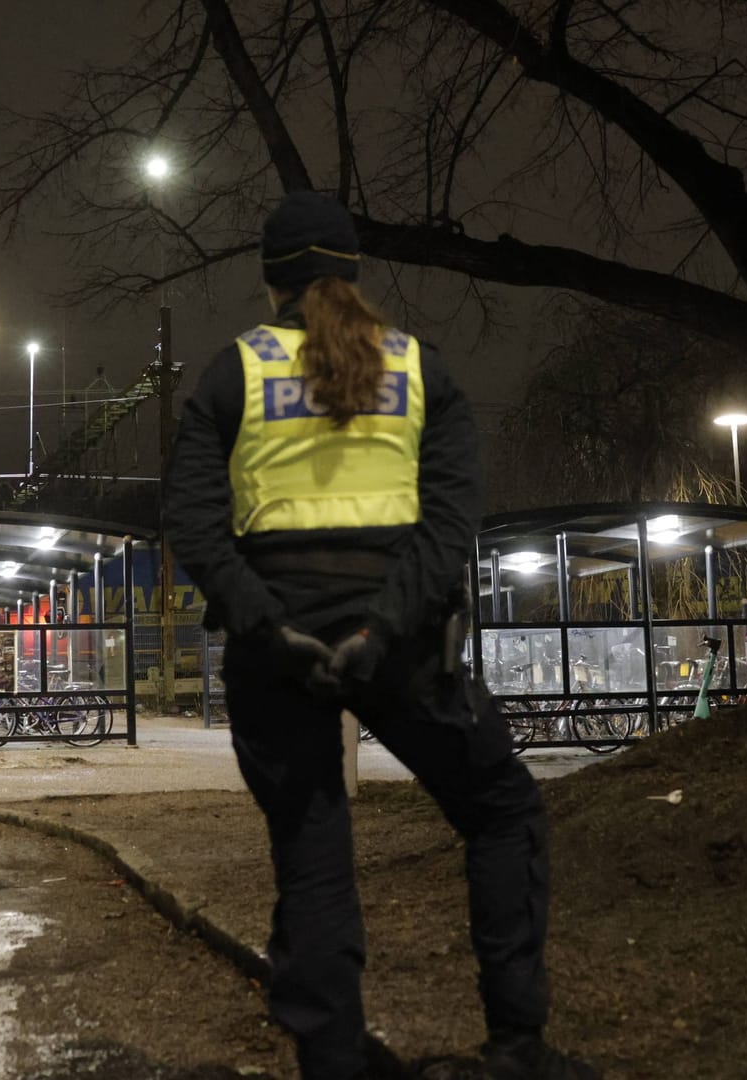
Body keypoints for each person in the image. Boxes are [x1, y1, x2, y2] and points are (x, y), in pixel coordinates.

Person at [164, 190, 596, 1080]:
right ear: (356, 271)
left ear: (269, 282)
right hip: (400, 647)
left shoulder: (229, 375)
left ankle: (332, 1059)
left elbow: (196, 526)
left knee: (313, 849)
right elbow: (449, 526)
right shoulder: (420, 370)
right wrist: (384, 628)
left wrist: (269, 626)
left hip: (276, 652)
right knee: (501, 810)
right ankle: (517, 1045)